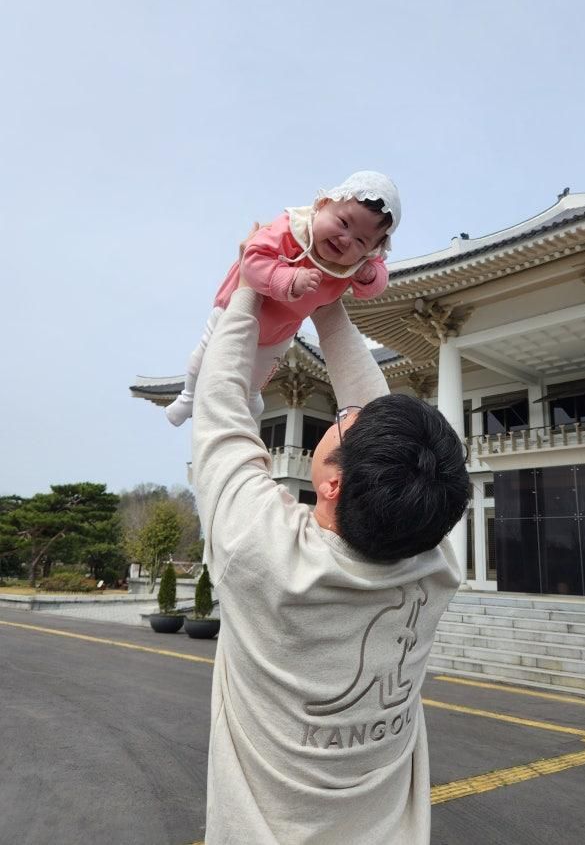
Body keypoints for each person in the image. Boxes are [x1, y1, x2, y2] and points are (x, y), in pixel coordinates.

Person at [191, 258, 470, 844]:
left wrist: (250, 280)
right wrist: (328, 301)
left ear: (332, 483)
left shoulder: (264, 554)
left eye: (342, 424)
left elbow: (218, 407)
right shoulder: (434, 563)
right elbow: (227, 415)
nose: (345, 414)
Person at [166, 170, 400, 426]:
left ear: (371, 250)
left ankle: (253, 394)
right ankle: (189, 394)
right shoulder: (291, 229)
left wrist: (369, 276)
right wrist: (288, 278)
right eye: (343, 223)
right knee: (206, 357)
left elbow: (376, 283)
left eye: (360, 240)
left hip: (282, 327)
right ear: (322, 205)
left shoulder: (355, 264)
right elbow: (252, 259)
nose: (345, 240)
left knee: (262, 371)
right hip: (234, 310)